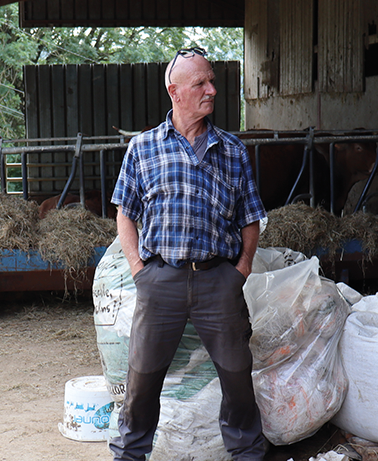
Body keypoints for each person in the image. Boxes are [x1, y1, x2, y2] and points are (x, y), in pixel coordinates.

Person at [109, 47, 268, 461]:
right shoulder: (143, 148)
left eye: (211, 81)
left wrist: (242, 268)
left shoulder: (232, 150)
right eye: (200, 83)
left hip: (219, 281)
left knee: (237, 377)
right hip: (160, 280)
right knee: (142, 381)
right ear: (174, 91)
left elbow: (251, 216)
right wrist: (139, 270)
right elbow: (125, 214)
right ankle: (129, 454)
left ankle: (247, 454)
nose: (211, 90)